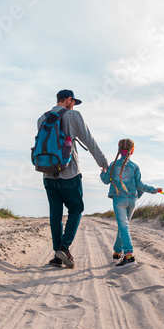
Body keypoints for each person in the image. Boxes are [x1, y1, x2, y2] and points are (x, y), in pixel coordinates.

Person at [38, 89, 109, 268]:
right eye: (73, 102)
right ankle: (64, 247)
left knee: (55, 214)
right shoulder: (74, 116)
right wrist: (104, 163)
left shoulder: (42, 118)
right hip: (69, 173)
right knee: (76, 209)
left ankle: (57, 255)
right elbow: (89, 141)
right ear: (69, 99)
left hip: (47, 173)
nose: (74, 105)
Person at [100, 138, 163, 268]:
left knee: (124, 227)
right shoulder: (135, 166)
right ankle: (117, 253)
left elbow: (106, 181)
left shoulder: (113, 165)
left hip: (119, 200)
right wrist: (154, 190)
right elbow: (140, 185)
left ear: (119, 149)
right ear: (132, 151)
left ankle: (129, 256)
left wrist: (102, 173)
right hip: (132, 200)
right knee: (123, 227)